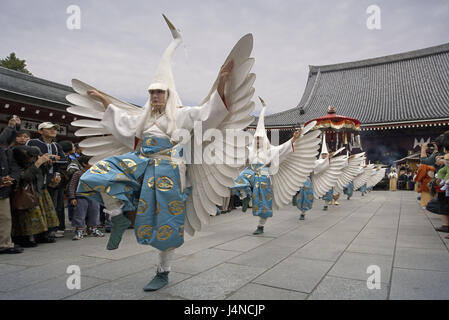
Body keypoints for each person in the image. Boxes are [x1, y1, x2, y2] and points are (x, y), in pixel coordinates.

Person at [67, 16, 257, 291]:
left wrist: (222, 84)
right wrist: (105, 100)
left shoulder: (182, 116)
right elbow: (119, 121)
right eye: (152, 92)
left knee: (164, 223)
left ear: (168, 95)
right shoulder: (142, 121)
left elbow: (211, 113)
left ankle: (163, 270)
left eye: (160, 92)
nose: (156, 96)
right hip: (141, 163)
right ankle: (117, 216)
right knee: (95, 175)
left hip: (169, 170)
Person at [231, 97, 319, 234]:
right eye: (256, 139)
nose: (258, 141)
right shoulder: (250, 151)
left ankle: (260, 225)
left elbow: (284, 147)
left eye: (260, 139)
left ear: (264, 140)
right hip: (251, 173)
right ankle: (244, 195)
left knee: (263, 202)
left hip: (264, 176)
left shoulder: (271, 150)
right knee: (240, 178)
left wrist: (295, 138)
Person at [10, 146, 58, 247]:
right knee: (26, 217)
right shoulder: (16, 163)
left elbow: (41, 173)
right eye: (32, 156)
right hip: (23, 193)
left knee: (40, 216)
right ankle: (23, 239)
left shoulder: (33, 162)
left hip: (38, 189)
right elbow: (25, 177)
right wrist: (38, 163)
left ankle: (40, 235)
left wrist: (47, 164)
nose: (34, 158)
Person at [26, 122, 65, 238]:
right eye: (49, 129)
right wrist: (50, 157)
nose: (53, 131)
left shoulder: (56, 145)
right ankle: (37, 232)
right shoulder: (32, 142)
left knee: (51, 205)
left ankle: (50, 230)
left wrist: (56, 174)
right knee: (36, 204)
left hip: (52, 177)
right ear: (40, 131)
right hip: (36, 177)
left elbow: (63, 160)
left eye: (54, 129)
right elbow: (29, 157)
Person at [68, 155, 104, 240]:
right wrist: (72, 197)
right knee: (79, 214)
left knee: (95, 213)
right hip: (81, 197)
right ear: (84, 164)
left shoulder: (96, 172)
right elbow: (72, 186)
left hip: (94, 197)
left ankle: (94, 229)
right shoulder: (78, 173)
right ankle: (79, 230)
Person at [0, 132, 22, 254]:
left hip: (3, 189)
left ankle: (4, 244)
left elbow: (14, 168)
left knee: (5, 218)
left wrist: (12, 178)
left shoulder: (7, 151)